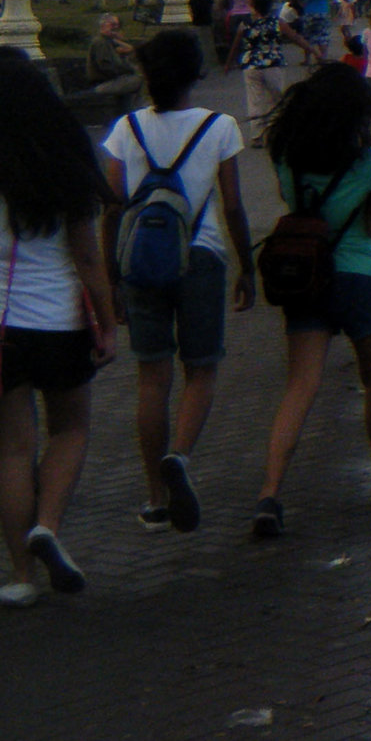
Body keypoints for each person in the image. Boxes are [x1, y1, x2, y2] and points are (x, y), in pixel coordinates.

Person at [100, 32, 252, 534]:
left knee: (151, 378)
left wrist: (111, 277)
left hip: (141, 263)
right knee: (202, 369)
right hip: (202, 258)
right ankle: (181, 456)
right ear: (194, 74)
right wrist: (247, 266)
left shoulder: (125, 129)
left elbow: (113, 206)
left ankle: (155, 498)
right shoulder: (220, 127)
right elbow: (231, 204)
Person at [253, 65, 371, 536]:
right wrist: (370, 191)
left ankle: (269, 493)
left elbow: (299, 207)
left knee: (300, 386)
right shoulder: (369, 162)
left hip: (305, 277)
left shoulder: (288, 155)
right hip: (358, 275)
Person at [0, 51, 118, 605]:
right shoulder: (66, 159)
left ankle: (22, 577)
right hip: (59, 319)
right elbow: (89, 259)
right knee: (69, 430)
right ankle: (47, 525)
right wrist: (108, 325)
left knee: (11, 452)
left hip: (1, 326)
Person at [224, 0, 315, 141]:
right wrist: (313, 51)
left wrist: (228, 64)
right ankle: (274, 130)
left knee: (255, 100)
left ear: (253, 5)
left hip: (251, 65)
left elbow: (235, 46)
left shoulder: (245, 24)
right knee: (276, 98)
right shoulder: (277, 22)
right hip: (273, 64)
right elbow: (295, 38)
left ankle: (257, 134)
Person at [85, 14, 144, 116]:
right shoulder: (100, 43)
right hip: (103, 84)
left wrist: (118, 40)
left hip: (112, 81)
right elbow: (106, 67)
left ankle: (133, 113)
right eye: (112, 25)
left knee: (138, 79)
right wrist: (128, 71)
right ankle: (137, 113)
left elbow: (131, 49)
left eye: (118, 25)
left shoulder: (109, 42)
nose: (116, 27)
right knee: (141, 80)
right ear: (103, 26)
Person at [295, 0, 334, 65]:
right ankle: (323, 58)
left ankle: (307, 59)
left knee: (308, 37)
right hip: (323, 12)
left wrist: (300, 2)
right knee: (323, 37)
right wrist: (331, 0)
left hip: (309, 12)